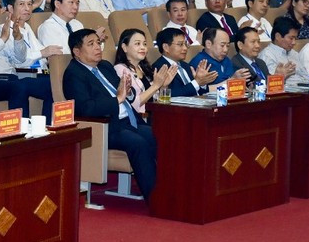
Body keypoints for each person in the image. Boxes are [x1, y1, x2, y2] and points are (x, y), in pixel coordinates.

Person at [64, 28, 157, 201]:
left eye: (98, 43)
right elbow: (85, 108)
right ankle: (155, 198)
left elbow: (124, 93)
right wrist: (117, 99)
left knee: (161, 136)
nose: (97, 47)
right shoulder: (73, 74)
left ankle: (171, 190)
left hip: (129, 120)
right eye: (91, 44)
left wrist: (128, 92)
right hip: (106, 127)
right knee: (138, 143)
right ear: (77, 51)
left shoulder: (105, 66)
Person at [114, 28, 177, 114]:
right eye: (137, 44)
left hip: (155, 114)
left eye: (144, 44)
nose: (143, 47)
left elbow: (157, 101)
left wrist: (163, 86)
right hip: (140, 118)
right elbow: (133, 104)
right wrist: (155, 86)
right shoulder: (121, 69)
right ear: (124, 47)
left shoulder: (144, 68)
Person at [6, 0, 63, 69]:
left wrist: (49, 55)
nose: (27, 8)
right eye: (21, 4)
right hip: (23, 75)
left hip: (41, 72)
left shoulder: (27, 26)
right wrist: (42, 53)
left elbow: (40, 51)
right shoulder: (4, 30)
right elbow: (15, 61)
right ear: (11, 8)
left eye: (29, 4)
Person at [153, 27, 217, 96]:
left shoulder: (186, 66)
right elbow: (170, 95)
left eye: (185, 44)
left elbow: (198, 92)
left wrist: (202, 83)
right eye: (180, 44)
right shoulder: (159, 68)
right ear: (166, 47)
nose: (185, 48)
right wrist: (197, 82)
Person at [38, 0, 102, 52]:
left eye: (77, 3)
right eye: (71, 2)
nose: (75, 7)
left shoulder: (77, 24)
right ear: (57, 4)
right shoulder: (48, 27)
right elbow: (60, 55)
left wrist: (95, 40)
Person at [259, 16, 300, 86]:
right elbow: (272, 84)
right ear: (278, 36)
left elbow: (306, 76)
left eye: (295, 39)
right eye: (291, 38)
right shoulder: (267, 55)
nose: (294, 42)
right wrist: (281, 76)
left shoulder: (294, 54)